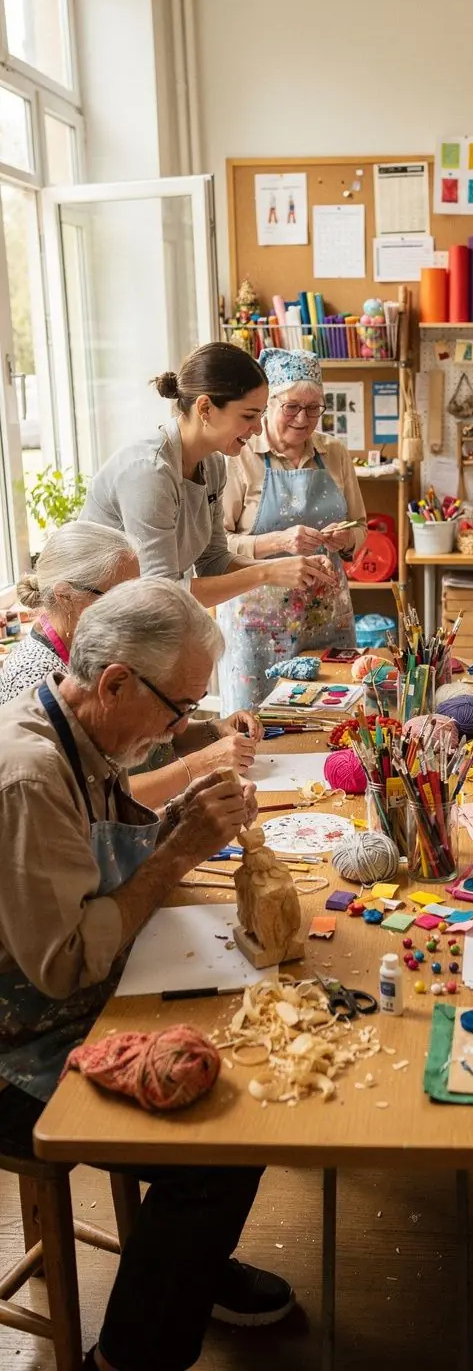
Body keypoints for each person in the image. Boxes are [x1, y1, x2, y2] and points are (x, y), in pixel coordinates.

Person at [0, 579, 294, 1370]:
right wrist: (178, 852)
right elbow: (66, 963)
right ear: (115, 682)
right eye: (178, 709)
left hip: (74, 995)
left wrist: (175, 821)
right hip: (18, 1047)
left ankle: (184, 1265)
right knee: (219, 1148)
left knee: (250, 1063)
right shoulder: (30, 772)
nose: (180, 731)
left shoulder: (83, 732)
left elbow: (95, 870)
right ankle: (128, 1355)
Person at [0, 521, 264, 803]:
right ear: (66, 597)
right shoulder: (33, 677)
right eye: (118, 595)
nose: (136, 606)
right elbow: (92, 800)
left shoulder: (105, 643)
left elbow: (138, 734)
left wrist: (211, 731)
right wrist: (198, 766)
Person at [80, 340, 334, 610]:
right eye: (248, 416)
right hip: (92, 616)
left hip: (137, 615)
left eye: (259, 415)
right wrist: (266, 573)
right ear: (205, 409)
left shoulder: (212, 465)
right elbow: (160, 593)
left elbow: (214, 561)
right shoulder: (149, 472)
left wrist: (285, 568)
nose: (258, 429)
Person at [218, 347, 367, 714]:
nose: (303, 419)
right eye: (292, 407)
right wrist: (280, 541)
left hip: (326, 615)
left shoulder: (334, 453)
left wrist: (347, 538)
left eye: (314, 408)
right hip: (259, 624)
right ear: (268, 404)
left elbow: (361, 525)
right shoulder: (238, 455)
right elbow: (216, 546)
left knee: (332, 718)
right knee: (259, 725)